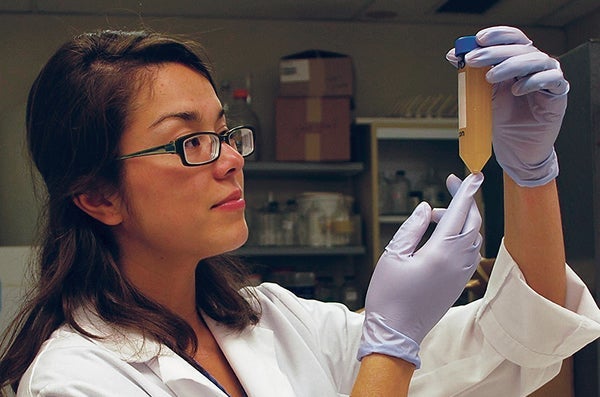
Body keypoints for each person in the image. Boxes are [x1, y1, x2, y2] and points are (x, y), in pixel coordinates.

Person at [0, 24, 597, 396]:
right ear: (99, 196)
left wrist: (529, 175)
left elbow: (521, 344)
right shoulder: (75, 382)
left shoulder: (273, 322)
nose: (231, 159)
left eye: (226, 132)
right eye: (190, 141)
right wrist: (389, 349)